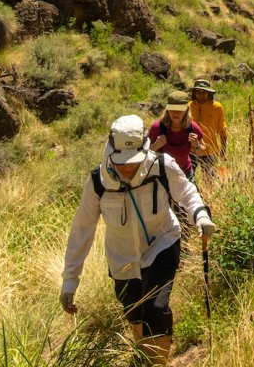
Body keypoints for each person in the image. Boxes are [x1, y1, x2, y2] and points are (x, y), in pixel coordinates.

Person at [61, 115, 216, 366]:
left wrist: (199, 214)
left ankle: (157, 362)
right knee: (134, 312)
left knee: (155, 308)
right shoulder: (98, 182)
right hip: (121, 258)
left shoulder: (162, 166)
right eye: (122, 162)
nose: (128, 167)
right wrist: (70, 281)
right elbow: (82, 229)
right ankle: (144, 354)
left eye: (133, 161)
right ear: (111, 151)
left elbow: (186, 192)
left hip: (162, 244)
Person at [148, 91, 206, 181]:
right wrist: (156, 145)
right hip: (161, 177)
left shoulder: (192, 127)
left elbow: (202, 152)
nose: (175, 113)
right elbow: (143, 155)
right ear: (167, 110)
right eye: (172, 109)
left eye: (179, 110)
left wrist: (196, 145)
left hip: (185, 175)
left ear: (186, 110)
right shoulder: (156, 128)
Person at [188, 78, 227, 176]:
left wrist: (223, 151)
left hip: (210, 151)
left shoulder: (217, 107)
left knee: (209, 180)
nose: (201, 95)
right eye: (198, 92)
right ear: (195, 93)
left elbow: (222, 130)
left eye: (204, 92)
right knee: (188, 179)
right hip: (191, 150)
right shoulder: (188, 106)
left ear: (209, 93)